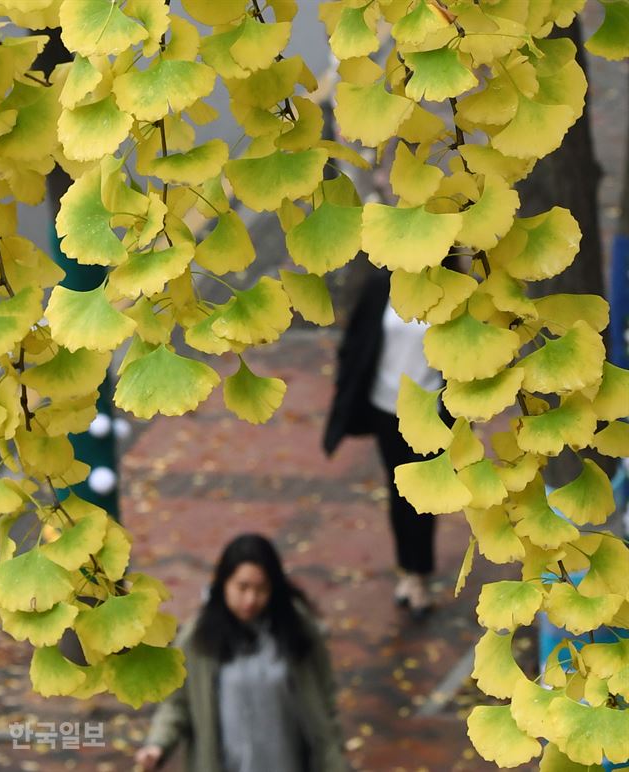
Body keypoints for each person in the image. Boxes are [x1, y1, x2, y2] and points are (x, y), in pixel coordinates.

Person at [134, 533, 347, 772]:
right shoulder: (198, 640)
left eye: (262, 589)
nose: (251, 599)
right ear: (224, 582)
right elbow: (177, 705)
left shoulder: (297, 629)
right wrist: (158, 745)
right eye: (242, 587)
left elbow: (325, 699)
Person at [323, 265, 453, 619]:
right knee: (398, 492)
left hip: (430, 411)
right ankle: (408, 572)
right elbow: (357, 339)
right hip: (386, 408)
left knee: (422, 498)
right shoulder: (382, 285)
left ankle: (420, 575)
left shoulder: (451, 291)